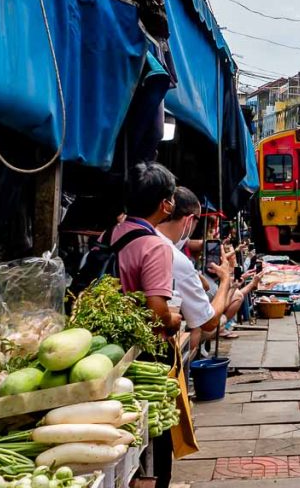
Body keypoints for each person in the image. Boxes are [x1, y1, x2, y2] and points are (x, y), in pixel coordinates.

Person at [109, 162, 180, 488]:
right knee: (155, 430)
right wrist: (174, 318)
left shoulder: (116, 232)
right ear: (165, 204)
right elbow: (155, 311)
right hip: (145, 354)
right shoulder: (155, 245)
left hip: (112, 346)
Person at [156, 187, 244, 356]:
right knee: (205, 323)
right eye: (197, 221)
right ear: (189, 220)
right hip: (157, 344)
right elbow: (209, 322)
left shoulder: (131, 235)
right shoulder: (174, 256)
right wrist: (225, 279)